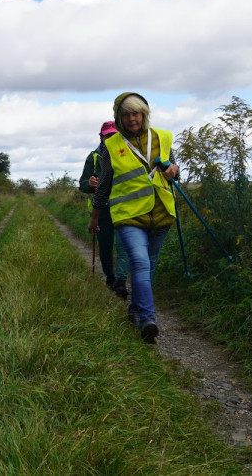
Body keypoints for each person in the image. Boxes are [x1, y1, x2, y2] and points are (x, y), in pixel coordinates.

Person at [87, 93, 179, 344]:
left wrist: (173, 170)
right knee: (139, 263)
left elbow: (174, 170)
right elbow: (103, 186)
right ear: (119, 117)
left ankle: (136, 308)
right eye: (125, 114)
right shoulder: (110, 146)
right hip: (129, 217)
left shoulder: (163, 137)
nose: (131, 119)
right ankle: (148, 319)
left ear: (144, 114)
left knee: (148, 266)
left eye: (135, 113)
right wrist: (95, 218)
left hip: (161, 213)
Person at [79, 120, 129, 298]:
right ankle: (110, 277)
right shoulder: (93, 157)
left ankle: (121, 282)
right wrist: (90, 184)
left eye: (114, 135)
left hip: (124, 207)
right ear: (101, 137)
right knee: (106, 247)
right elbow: (82, 184)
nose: (110, 138)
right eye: (107, 135)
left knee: (124, 246)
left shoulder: (128, 154)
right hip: (102, 211)